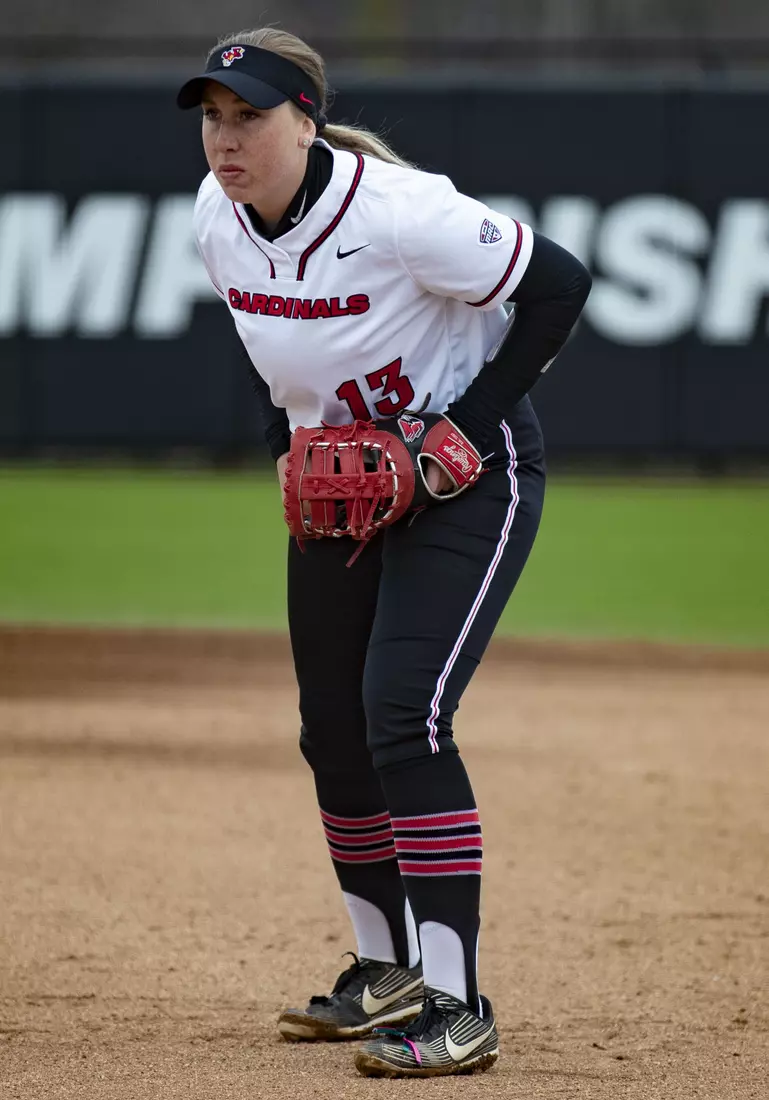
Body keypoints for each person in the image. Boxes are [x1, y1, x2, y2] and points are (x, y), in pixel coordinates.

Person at [177, 26, 591, 1080]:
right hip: (341, 486)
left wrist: (463, 427)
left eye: (251, 117)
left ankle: (459, 1004)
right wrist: (286, 448)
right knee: (333, 731)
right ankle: (383, 969)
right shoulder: (214, 222)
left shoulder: (403, 213)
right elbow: (279, 357)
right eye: (214, 119)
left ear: (305, 119)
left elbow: (560, 283)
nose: (227, 141)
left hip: (468, 477)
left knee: (403, 713)